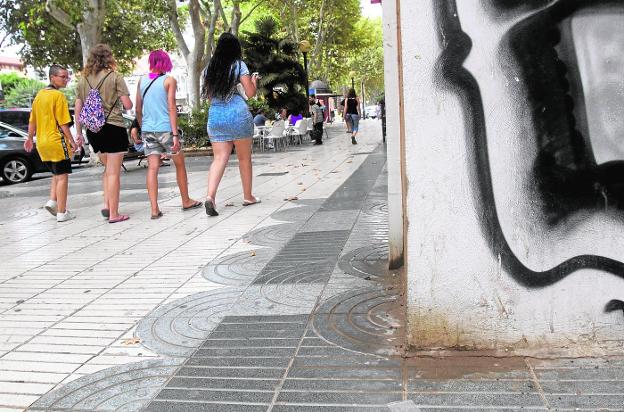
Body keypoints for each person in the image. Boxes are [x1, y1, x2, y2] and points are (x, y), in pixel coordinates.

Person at [134, 50, 201, 219]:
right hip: (166, 129)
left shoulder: (141, 81)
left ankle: (154, 208)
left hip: (148, 130)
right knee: (179, 164)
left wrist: (143, 128)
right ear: (166, 63)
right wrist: (175, 135)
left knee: (152, 168)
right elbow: (172, 107)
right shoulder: (169, 80)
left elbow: (137, 109)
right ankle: (186, 200)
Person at [201, 33, 260, 216]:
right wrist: (254, 82)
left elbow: (209, 97)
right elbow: (250, 93)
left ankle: (210, 197)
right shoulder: (238, 65)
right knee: (244, 158)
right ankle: (248, 196)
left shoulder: (209, 68)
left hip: (216, 115)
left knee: (219, 159)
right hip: (237, 114)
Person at [75, 44, 133, 223]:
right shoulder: (115, 76)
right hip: (113, 127)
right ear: (109, 57)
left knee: (107, 170)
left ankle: (107, 205)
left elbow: (78, 109)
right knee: (114, 172)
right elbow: (128, 104)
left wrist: (79, 133)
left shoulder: (82, 80)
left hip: (93, 130)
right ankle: (114, 214)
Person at [24, 65, 79, 222]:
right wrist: (72, 141)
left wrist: (29, 138)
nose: (66, 79)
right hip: (56, 141)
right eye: (63, 76)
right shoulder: (58, 96)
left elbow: (32, 121)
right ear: (52, 77)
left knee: (56, 173)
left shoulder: (39, 96)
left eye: (67, 77)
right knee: (63, 176)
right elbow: (63, 123)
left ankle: (53, 201)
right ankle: (62, 212)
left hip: (42, 143)